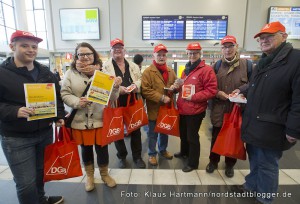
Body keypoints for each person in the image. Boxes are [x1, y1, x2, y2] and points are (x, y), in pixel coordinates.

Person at [234, 21, 300, 204]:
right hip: (255, 123)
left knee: (268, 165)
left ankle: (265, 198)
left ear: (284, 36)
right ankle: (251, 186)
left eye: (269, 36)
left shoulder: (295, 60)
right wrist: (242, 90)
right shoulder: (263, 61)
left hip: (273, 127)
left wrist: (294, 129)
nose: (264, 41)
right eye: (262, 38)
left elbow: (298, 100)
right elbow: (255, 85)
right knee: (255, 159)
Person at [0, 30, 65, 204]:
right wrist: (14, 111)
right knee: (25, 182)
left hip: (44, 133)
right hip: (16, 137)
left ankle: (41, 199)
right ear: (12, 46)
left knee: (40, 173)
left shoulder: (45, 72)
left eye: (34, 46)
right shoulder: (2, 73)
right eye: (24, 45)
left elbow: (56, 97)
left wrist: (58, 116)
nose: (31, 50)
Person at [61, 42, 122, 191]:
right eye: (81, 54)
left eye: (88, 54)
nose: (85, 57)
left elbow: (112, 97)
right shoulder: (71, 73)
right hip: (80, 120)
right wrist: (76, 102)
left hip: (100, 118)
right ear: (76, 56)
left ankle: (104, 174)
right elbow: (64, 93)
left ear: (94, 55)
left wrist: (115, 86)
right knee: (86, 148)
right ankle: (89, 176)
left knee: (102, 149)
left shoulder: (103, 73)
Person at [206, 35, 252, 178]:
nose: (228, 50)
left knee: (234, 137)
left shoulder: (247, 65)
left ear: (236, 47)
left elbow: (254, 84)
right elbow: (209, 87)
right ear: (221, 49)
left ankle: (230, 164)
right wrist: (218, 93)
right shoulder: (216, 66)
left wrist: (241, 90)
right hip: (219, 109)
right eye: (225, 47)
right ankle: (213, 161)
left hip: (237, 110)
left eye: (230, 46)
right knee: (216, 136)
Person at [172, 42, 217, 172]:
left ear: (200, 54)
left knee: (192, 137)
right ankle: (184, 152)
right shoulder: (186, 70)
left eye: (195, 53)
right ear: (187, 54)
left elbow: (211, 90)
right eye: (190, 53)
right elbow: (184, 87)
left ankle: (193, 163)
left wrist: (194, 97)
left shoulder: (206, 70)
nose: (192, 55)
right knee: (183, 134)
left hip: (195, 110)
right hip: (183, 108)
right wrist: (177, 87)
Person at [103, 38, 146, 169]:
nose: (118, 50)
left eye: (120, 48)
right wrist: (118, 89)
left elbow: (140, 80)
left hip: (132, 101)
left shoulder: (132, 66)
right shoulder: (105, 67)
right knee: (117, 131)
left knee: (136, 130)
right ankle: (122, 156)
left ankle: (137, 157)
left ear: (124, 50)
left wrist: (134, 85)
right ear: (111, 51)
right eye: (115, 48)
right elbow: (104, 84)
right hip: (115, 103)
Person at [141, 44, 176, 166]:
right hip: (153, 109)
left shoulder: (171, 71)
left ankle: (163, 150)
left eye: (163, 55)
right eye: (159, 55)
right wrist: (161, 97)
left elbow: (175, 86)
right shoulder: (148, 72)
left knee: (164, 131)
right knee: (152, 133)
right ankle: (151, 154)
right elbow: (145, 90)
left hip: (166, 109)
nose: (161, 57)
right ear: (154, 55)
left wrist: (175, 88)